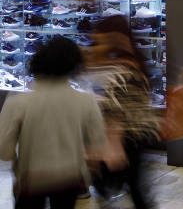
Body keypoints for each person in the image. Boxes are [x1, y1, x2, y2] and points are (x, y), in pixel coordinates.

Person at [0, 36, 106, 209]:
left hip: (32, 178)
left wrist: (14, 161)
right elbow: (98, 142)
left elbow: (4, 149)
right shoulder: (85, 101)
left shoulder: (18, 102)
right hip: (69, 177)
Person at [86, 16, 159, 209]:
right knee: (134, 187)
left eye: (100, 35)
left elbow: (112, 106)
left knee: (121, 185)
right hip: (135, 134)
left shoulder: (123, 66)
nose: (96, 39)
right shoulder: (132, 60)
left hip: (125, 136)